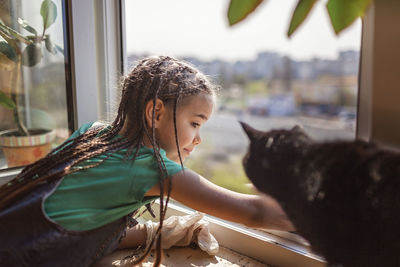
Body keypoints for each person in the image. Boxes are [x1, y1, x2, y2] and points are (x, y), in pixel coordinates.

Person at [0, 56, 294, 267]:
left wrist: (156, 232)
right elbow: (253, 213)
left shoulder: (92, 134)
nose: (198, 139)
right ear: (156, 113)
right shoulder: (152, 168)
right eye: (195, 123)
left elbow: (79, 227)